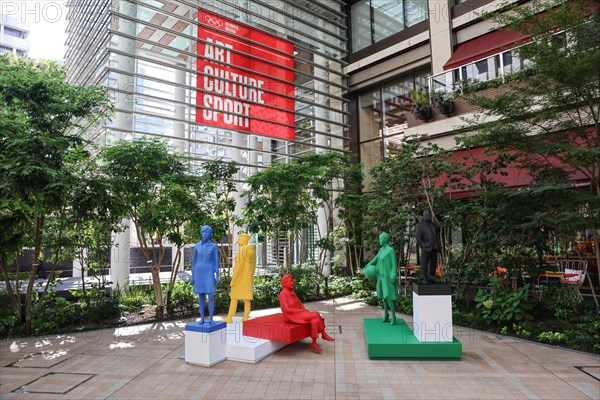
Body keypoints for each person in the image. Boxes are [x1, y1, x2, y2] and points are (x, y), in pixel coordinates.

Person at [279, 274, 335, 353]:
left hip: (298, 313)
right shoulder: (283, 294)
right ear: (284, 283)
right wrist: (301, 311)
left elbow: (300, 303)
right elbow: (287, 310)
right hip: (291, 316)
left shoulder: (292, 292)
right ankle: (323, 333)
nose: (293, 283)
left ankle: (314, 342)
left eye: (292, 281)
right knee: (315, 314)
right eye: (290, 281)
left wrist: (304, 309)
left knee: (314, 320)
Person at [364, 232, 397, 325]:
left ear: (386, 239)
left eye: (381, 239)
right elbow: (375, 260)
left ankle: (393, 316)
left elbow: (394, 264)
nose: (379, 240)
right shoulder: (381, 250)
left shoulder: (390, 250)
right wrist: (367, 265)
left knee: (388, 296)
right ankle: (386, 315)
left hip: (387, 277)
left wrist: (393, 274)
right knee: (383, 296)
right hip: (380, 277)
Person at [190, 225, 219, 324]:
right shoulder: (197, 246)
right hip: (199, 272)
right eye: (203, 232)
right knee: (201, 295)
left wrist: (217, 275)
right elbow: (193, 262)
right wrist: (193, 276)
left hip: (209, 272)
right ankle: (202, 318)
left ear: (210, 234)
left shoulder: (214, 246)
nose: (204, 234)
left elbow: (216, 262)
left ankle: (211, 318)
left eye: (206, 232)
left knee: (210, 295)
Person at [224, 233, 256, 323]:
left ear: (244, 240)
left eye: (240, 239)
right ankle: (246, 317)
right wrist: (250, 276)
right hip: (247, 279)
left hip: (239, 280)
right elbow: (254, 266)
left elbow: (238, 268)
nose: (238, 241)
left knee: (234, 298)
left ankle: (230, 317)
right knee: (247, 298)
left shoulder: (241, 252)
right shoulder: (251, 252)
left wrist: (233, 281)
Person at [415, 210, 440, 284]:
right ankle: (423, 276)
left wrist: (438, 246)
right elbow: (418, 237)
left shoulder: (434, 225)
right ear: (423, 216)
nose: (428, 216)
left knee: (433, 262)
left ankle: (431, 276)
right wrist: (423, 245)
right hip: (426, 247)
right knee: (424, 263)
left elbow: (436, 236)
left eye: (429, 215)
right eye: (427, 215)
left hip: (434, 246)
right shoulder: (420, 225)